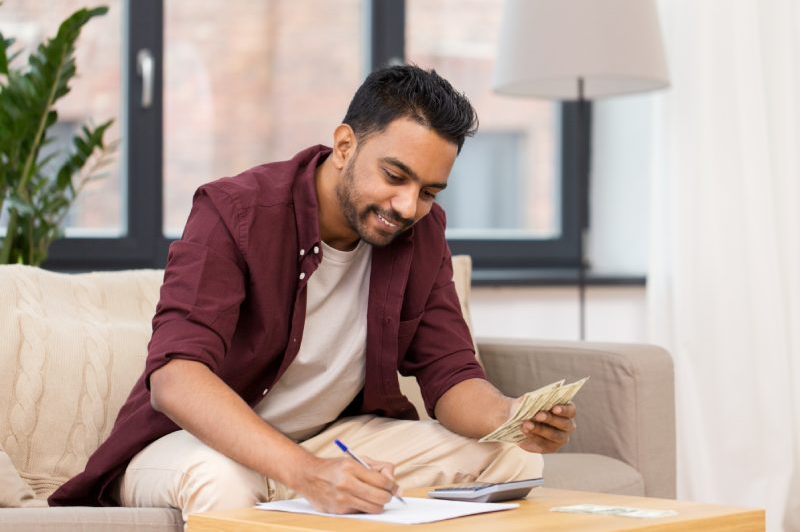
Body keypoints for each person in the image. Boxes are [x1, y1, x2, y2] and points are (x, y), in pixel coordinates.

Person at [49, 65, 576, 520]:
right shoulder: (234, 211)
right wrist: (309, 473)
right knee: (225, 483)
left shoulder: (422, 232)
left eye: (429, 191)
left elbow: (452, 375)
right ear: (345, 145)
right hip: (194, 445)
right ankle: (297, 491)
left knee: (514, 459)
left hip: (330, 441)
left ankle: (308, 492)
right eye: (396, 175)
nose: (408, 205)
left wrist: (511, 418)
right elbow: (176, 379)